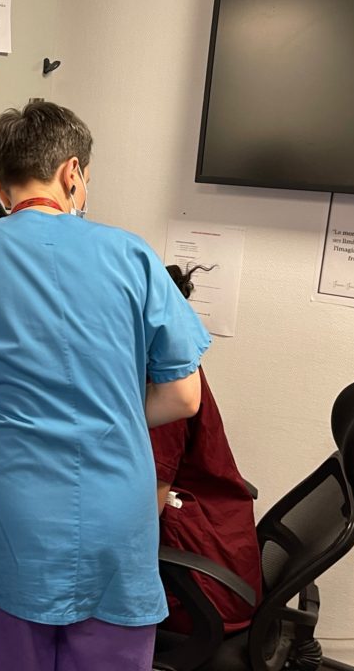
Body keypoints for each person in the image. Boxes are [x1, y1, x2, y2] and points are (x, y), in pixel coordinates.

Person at [0, 101, 211, 671]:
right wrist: (105, 415)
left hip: (5, 513)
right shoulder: (132, 254)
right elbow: (183, 396)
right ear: (73, 173)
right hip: (114, 519)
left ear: (1, 183)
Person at [151, 264, 261, 635]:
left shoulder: (161, 385)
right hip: (222, 556)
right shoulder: (177, 365)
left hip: (201, 590)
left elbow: (147, 510)